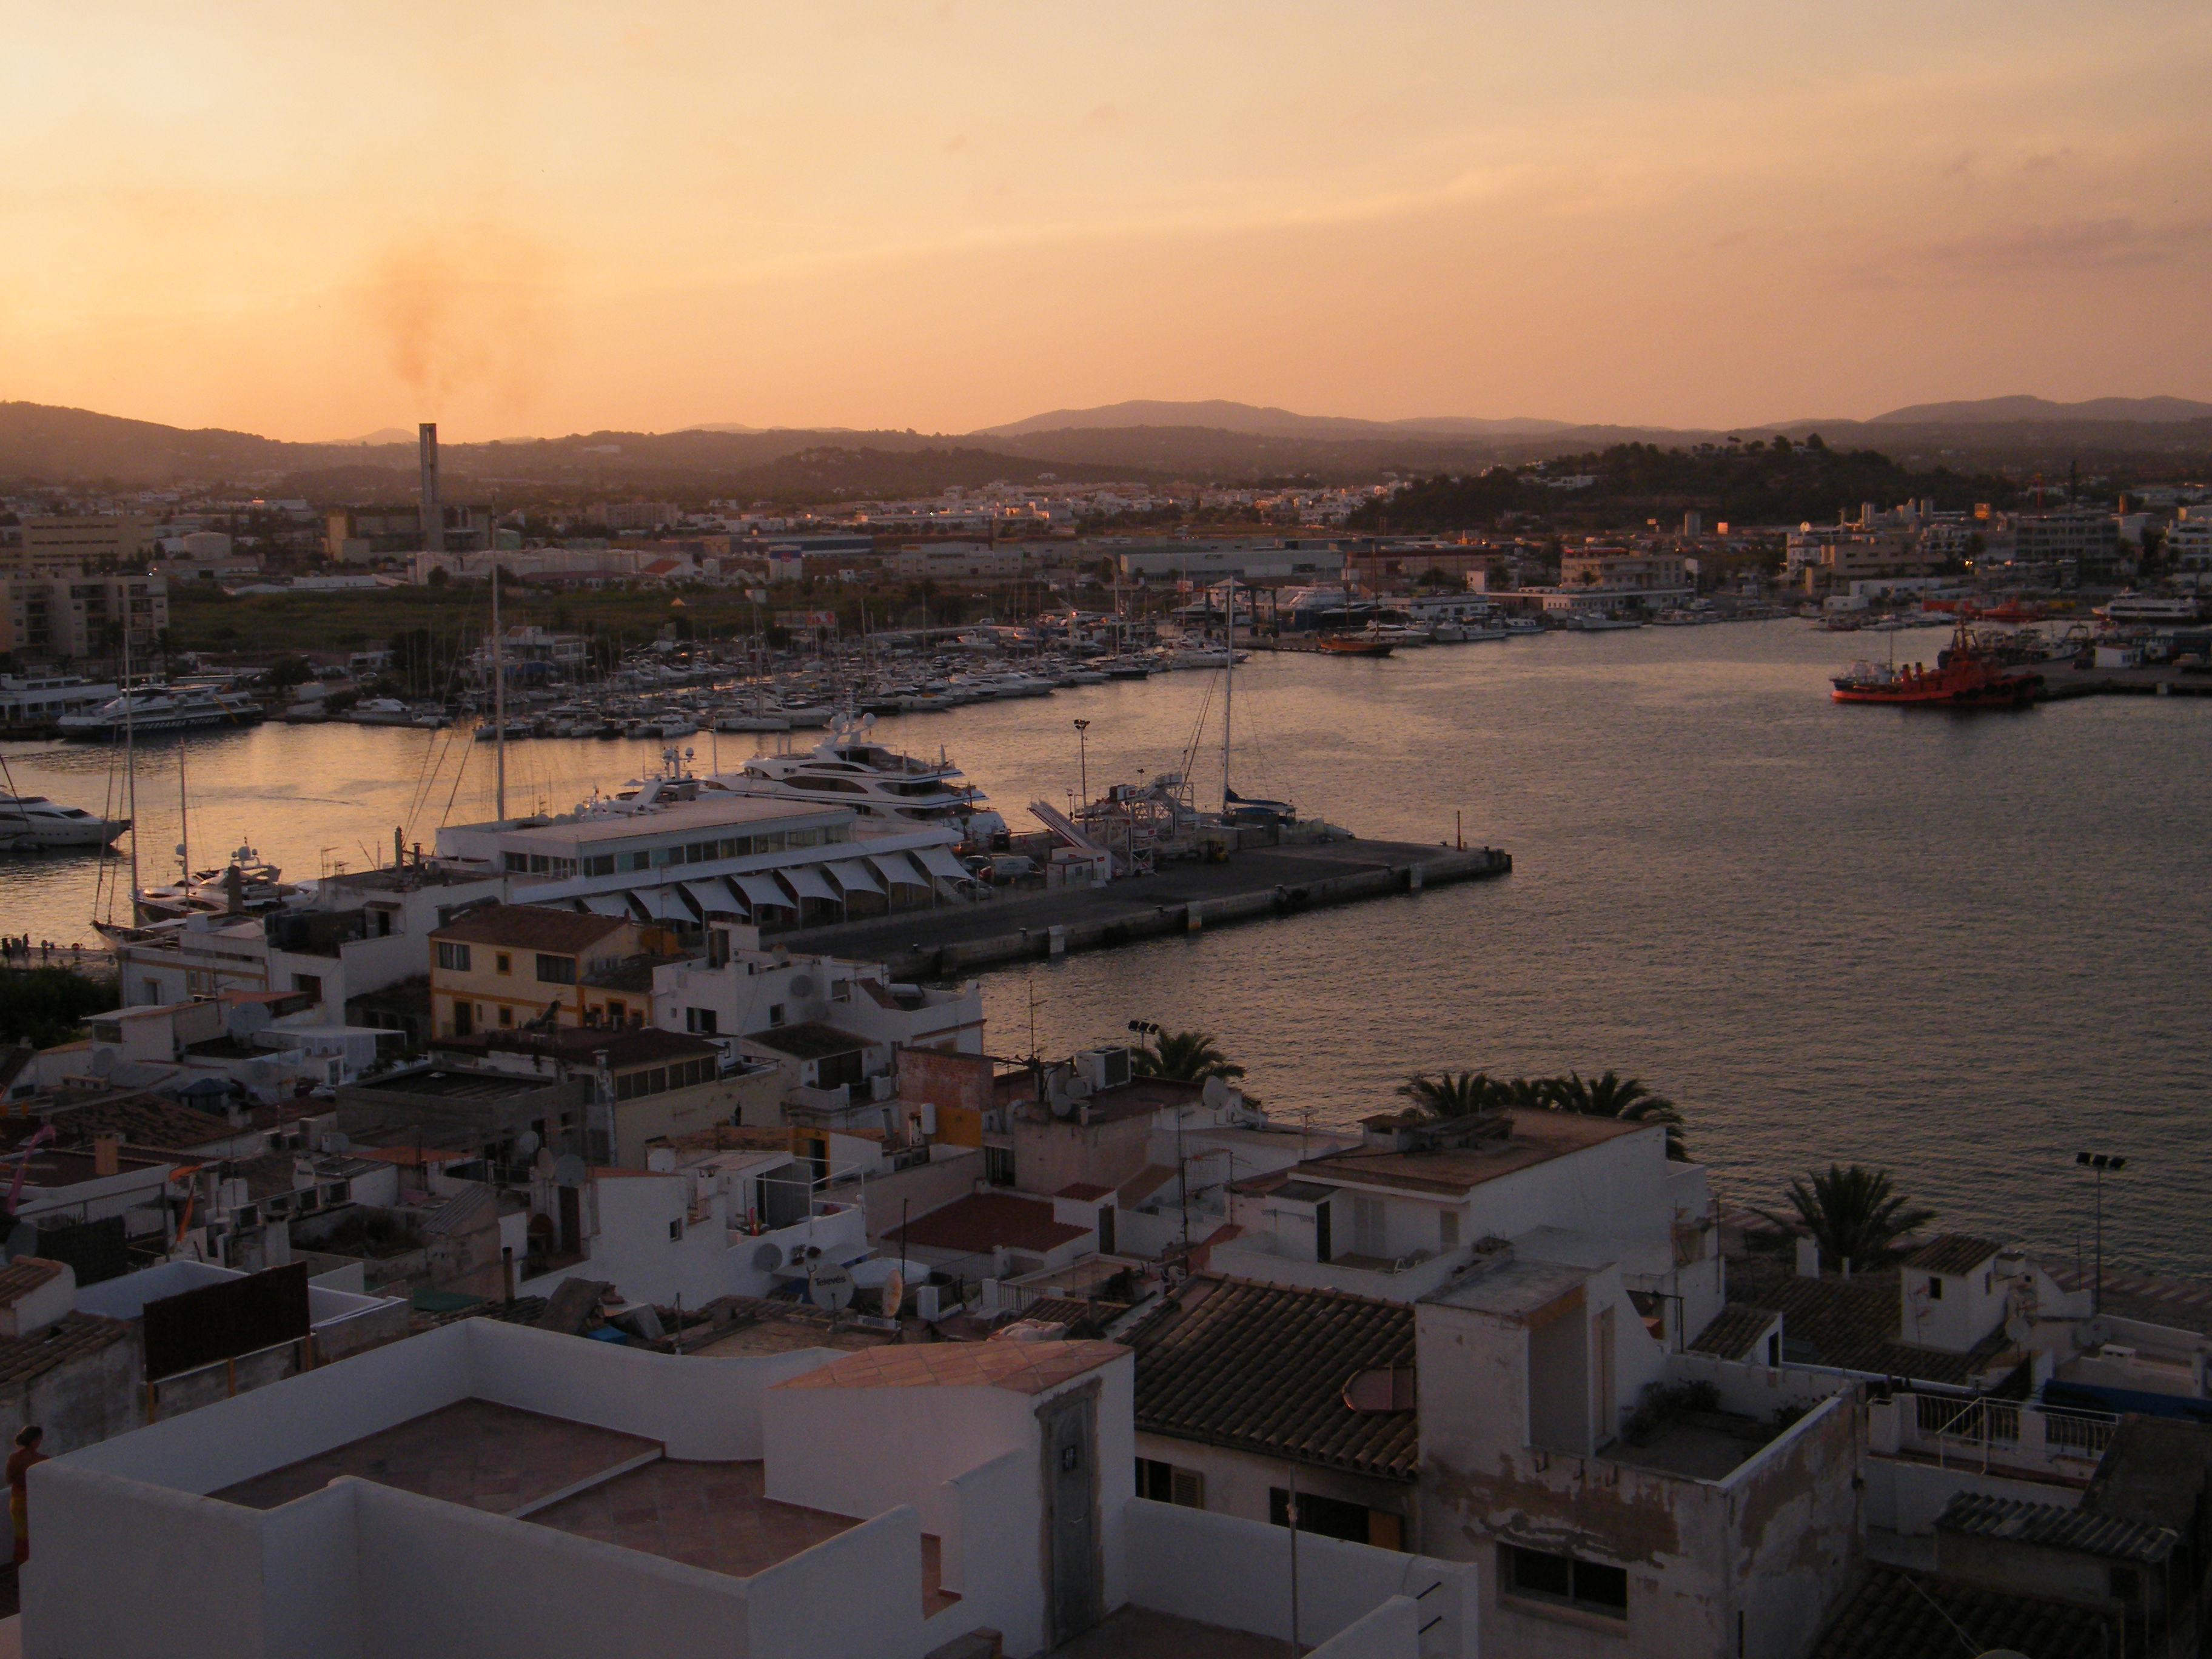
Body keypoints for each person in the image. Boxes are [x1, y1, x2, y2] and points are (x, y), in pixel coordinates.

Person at [8, 1425, 46, 1564]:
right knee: (36, 1538)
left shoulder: (13, 1458)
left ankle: (19, 1570)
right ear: (35, 1441)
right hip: (33, 1502)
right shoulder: (42, 1460)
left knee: (21, 1538)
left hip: (17, 1502)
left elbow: (9, 1479)